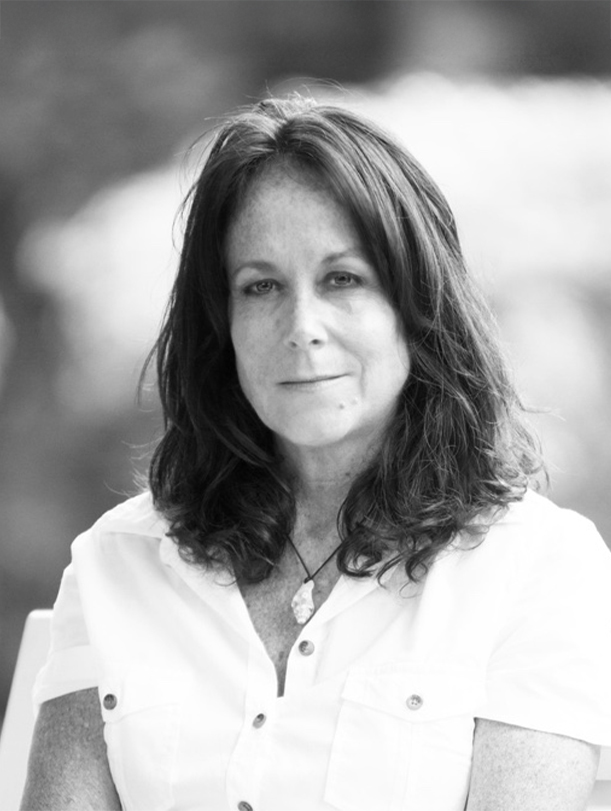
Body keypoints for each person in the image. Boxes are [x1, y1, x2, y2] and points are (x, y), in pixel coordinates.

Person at [21, 96, 611, 811]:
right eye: (260, 286)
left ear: (416, 308)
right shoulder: (118, 564)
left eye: (342, 279)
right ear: (222, 325)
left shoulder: (535, 568)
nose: (301, 326)